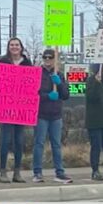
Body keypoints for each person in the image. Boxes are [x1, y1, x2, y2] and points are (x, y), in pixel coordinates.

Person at [0, 37, 33, 183]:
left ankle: (17, 172)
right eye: (12, 45)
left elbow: (32, 83)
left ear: (21, 47)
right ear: (8, 47)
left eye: (17, 45)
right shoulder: (3, 62)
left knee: (19, 140)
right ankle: (3, 171)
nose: (14, 47)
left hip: (21, 107)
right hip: (6, 106)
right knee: (6, 140)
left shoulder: (27, 63)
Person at [32, 48, 72, 183]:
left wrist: (59, 84)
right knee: (39, 144)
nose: (48, 60)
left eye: (50, 58)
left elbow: (66, 95)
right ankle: (37, 172)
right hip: (41, 114)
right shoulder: (37, 74)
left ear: (55, 59)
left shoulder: (59, 75)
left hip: (56, 115)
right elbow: (33, 94)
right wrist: (47, 96)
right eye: (45, 57)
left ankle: (59, 172)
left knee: (56, 145)